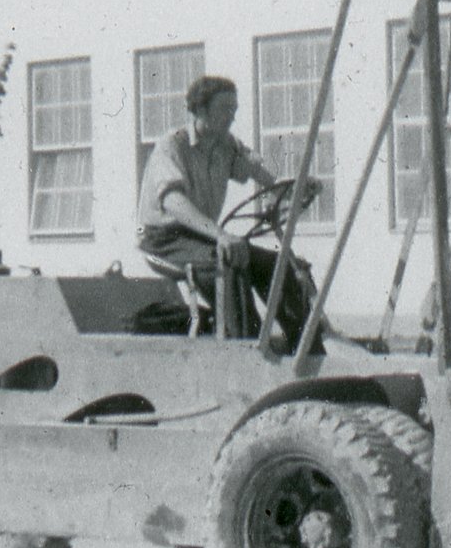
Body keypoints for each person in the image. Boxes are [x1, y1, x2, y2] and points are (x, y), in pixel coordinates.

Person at [136, 74, 320, 348]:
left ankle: (307, 346)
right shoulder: (172, 145)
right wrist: (221, 234)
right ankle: (244, 349)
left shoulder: (226, 145)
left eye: (234, 109)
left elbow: (256, 169)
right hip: (163, 239)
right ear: (200, 110)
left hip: (201, 235)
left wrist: (290, 190)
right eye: (225, 109)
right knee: (229, 260)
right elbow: (173, 201)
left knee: (275, 264)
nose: (232, 116)